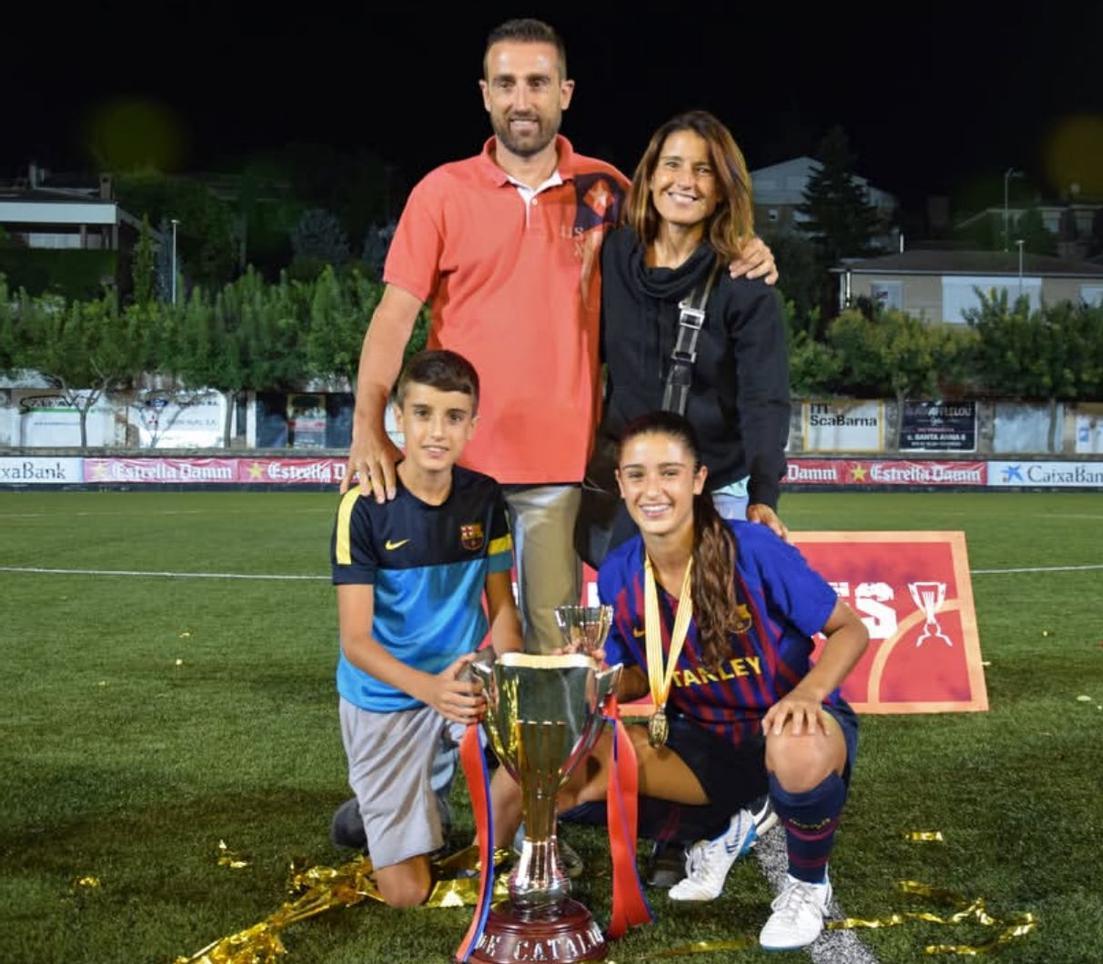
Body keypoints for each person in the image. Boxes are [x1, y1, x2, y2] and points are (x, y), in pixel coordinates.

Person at [341, 19, 776, 655]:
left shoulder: (607, 193)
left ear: (565, 92)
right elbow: (393, 317)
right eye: (507, 83)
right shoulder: (440, 193)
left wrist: (748, 249)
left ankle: (541, 759)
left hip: (559, 468)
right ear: (485, 93)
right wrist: (366, 426)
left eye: (538, 82)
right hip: (453, 462)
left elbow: (683, 230)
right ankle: (450, 756)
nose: (523, 99)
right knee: (449, 638)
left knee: (554, 649)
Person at [559, 411, 868, 950]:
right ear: (620, 485)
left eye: (669, 473)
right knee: (576, 776)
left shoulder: (752, 548)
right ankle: (724, 826)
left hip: (786, 720)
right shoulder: (618, 571)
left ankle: (807, 887)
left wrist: (808, 694)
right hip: (700, 740)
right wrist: (595, 678)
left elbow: (850, 630)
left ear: (698, 480)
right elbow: (637, 678)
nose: (652, 490)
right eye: (636, 474)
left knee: (795, 747)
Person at [330, 349, 521, 908]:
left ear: (472, 424)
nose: (437, 432)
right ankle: (374, 811)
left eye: (454, 417)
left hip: (460, 688)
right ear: (398, 417)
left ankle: (452, 815)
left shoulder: (485, 498)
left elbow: (502, 608)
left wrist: (504, 680)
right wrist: (431, 690)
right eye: (423, 414)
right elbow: (356, 643)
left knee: (534, 751)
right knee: (407, 895)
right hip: (387, 697)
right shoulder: (363, 507)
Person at [599, 110, 791, 545]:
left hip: (717, 487)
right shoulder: (611, 256)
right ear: (648, 177)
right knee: (632, 611)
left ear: (722, 190)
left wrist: (763, 496)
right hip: (629, 489)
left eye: (703, 170)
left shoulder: (746, 284)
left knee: (714, 612)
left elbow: (765, 400)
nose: (685, 180)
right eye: (672, 164)